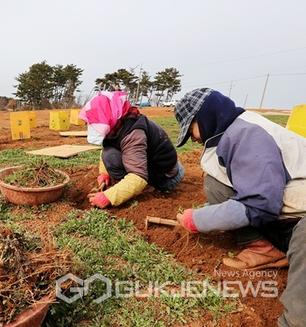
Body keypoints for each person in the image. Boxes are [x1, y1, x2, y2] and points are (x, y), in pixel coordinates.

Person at [174, 88, 306, 326]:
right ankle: (263, 248)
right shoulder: (231, 133)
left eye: (191, 129)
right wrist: (207, 213)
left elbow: (260, 202)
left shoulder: (247, 134)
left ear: (204, 117)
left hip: (298, 213)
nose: (193, 138)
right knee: (215, 180)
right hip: (289, 205)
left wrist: (198, 220)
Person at [81, 91, 184, 208]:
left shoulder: (133, 134)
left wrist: (108, 197)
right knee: (109, 154)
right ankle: (131, 186)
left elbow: (138, 176)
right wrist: (104, 174)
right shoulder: (118, 124)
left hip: (167, 177)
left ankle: (146, 188)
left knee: (112, 157)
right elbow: (108, 145)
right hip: (155, 164)